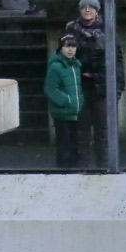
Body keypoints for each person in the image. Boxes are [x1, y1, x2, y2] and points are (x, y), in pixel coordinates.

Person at [65, 0, 125, 167]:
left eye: (91, 7)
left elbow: (117, 59)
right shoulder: (71, 31)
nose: (87, 10)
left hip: (103, 86)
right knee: (81, 130)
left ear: (97, 10)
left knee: (103, 130)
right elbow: (64, 58)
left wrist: (118, 87)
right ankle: (82, 167)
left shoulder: (108, 30)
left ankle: (105, 166)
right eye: (84, 7)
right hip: (80, 86)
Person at [45, 33, 84, 168]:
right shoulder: (56, 67)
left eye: (73, 47)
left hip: (74, 112)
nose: (70, 50)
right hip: (62, 113)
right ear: (60, 48)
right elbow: (50, 89)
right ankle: (62, 172)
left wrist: (80, 101)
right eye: (67, 47)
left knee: (75, 145)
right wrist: (66, 101)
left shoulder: (76, 66)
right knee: (64, 145)